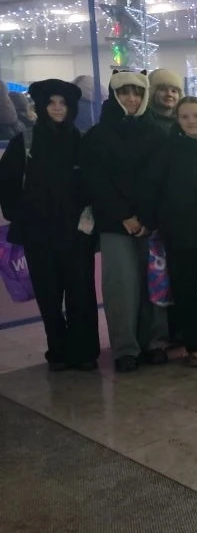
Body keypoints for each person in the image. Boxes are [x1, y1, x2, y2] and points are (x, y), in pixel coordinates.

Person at [0, 79, 99, 371]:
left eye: (63, 103)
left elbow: (94, 185)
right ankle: (58, 350)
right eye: (51, 103)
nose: (57, 108)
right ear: (42, 106)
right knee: (49, 294)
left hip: (77, 233)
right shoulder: (25, 142)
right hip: (39, 235)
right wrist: (19, 215)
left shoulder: (82, 142)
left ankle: (83, 351)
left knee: (81, 292)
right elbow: (7, 183)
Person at [80, 70, 169, 372]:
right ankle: (125, 348)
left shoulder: (157, 133)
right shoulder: (98, 136)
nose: (131, 98)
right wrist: (125, 217)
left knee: (154, 283)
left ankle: (155, 342)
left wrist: (147, 218)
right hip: (115, 224)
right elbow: (96, 182)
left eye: (137, 93)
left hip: (151, 224)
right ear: (114, 95)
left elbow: (160, 180)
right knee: (121, 286)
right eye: (124, 92)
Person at [141, 97, 197, 367]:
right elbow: (152, 189)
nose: (191, 121)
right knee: (185, 290)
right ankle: (196, 345)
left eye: (196, 115)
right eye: (185, 117)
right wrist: (158, 222)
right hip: (178, 233)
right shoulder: (166, 150)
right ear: (177, 120)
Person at [146, 68, 183, 134]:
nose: (169, 94)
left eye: (174, 91)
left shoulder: (184, 122)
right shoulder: (142, 123)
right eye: (163, 89)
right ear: (152, 93)